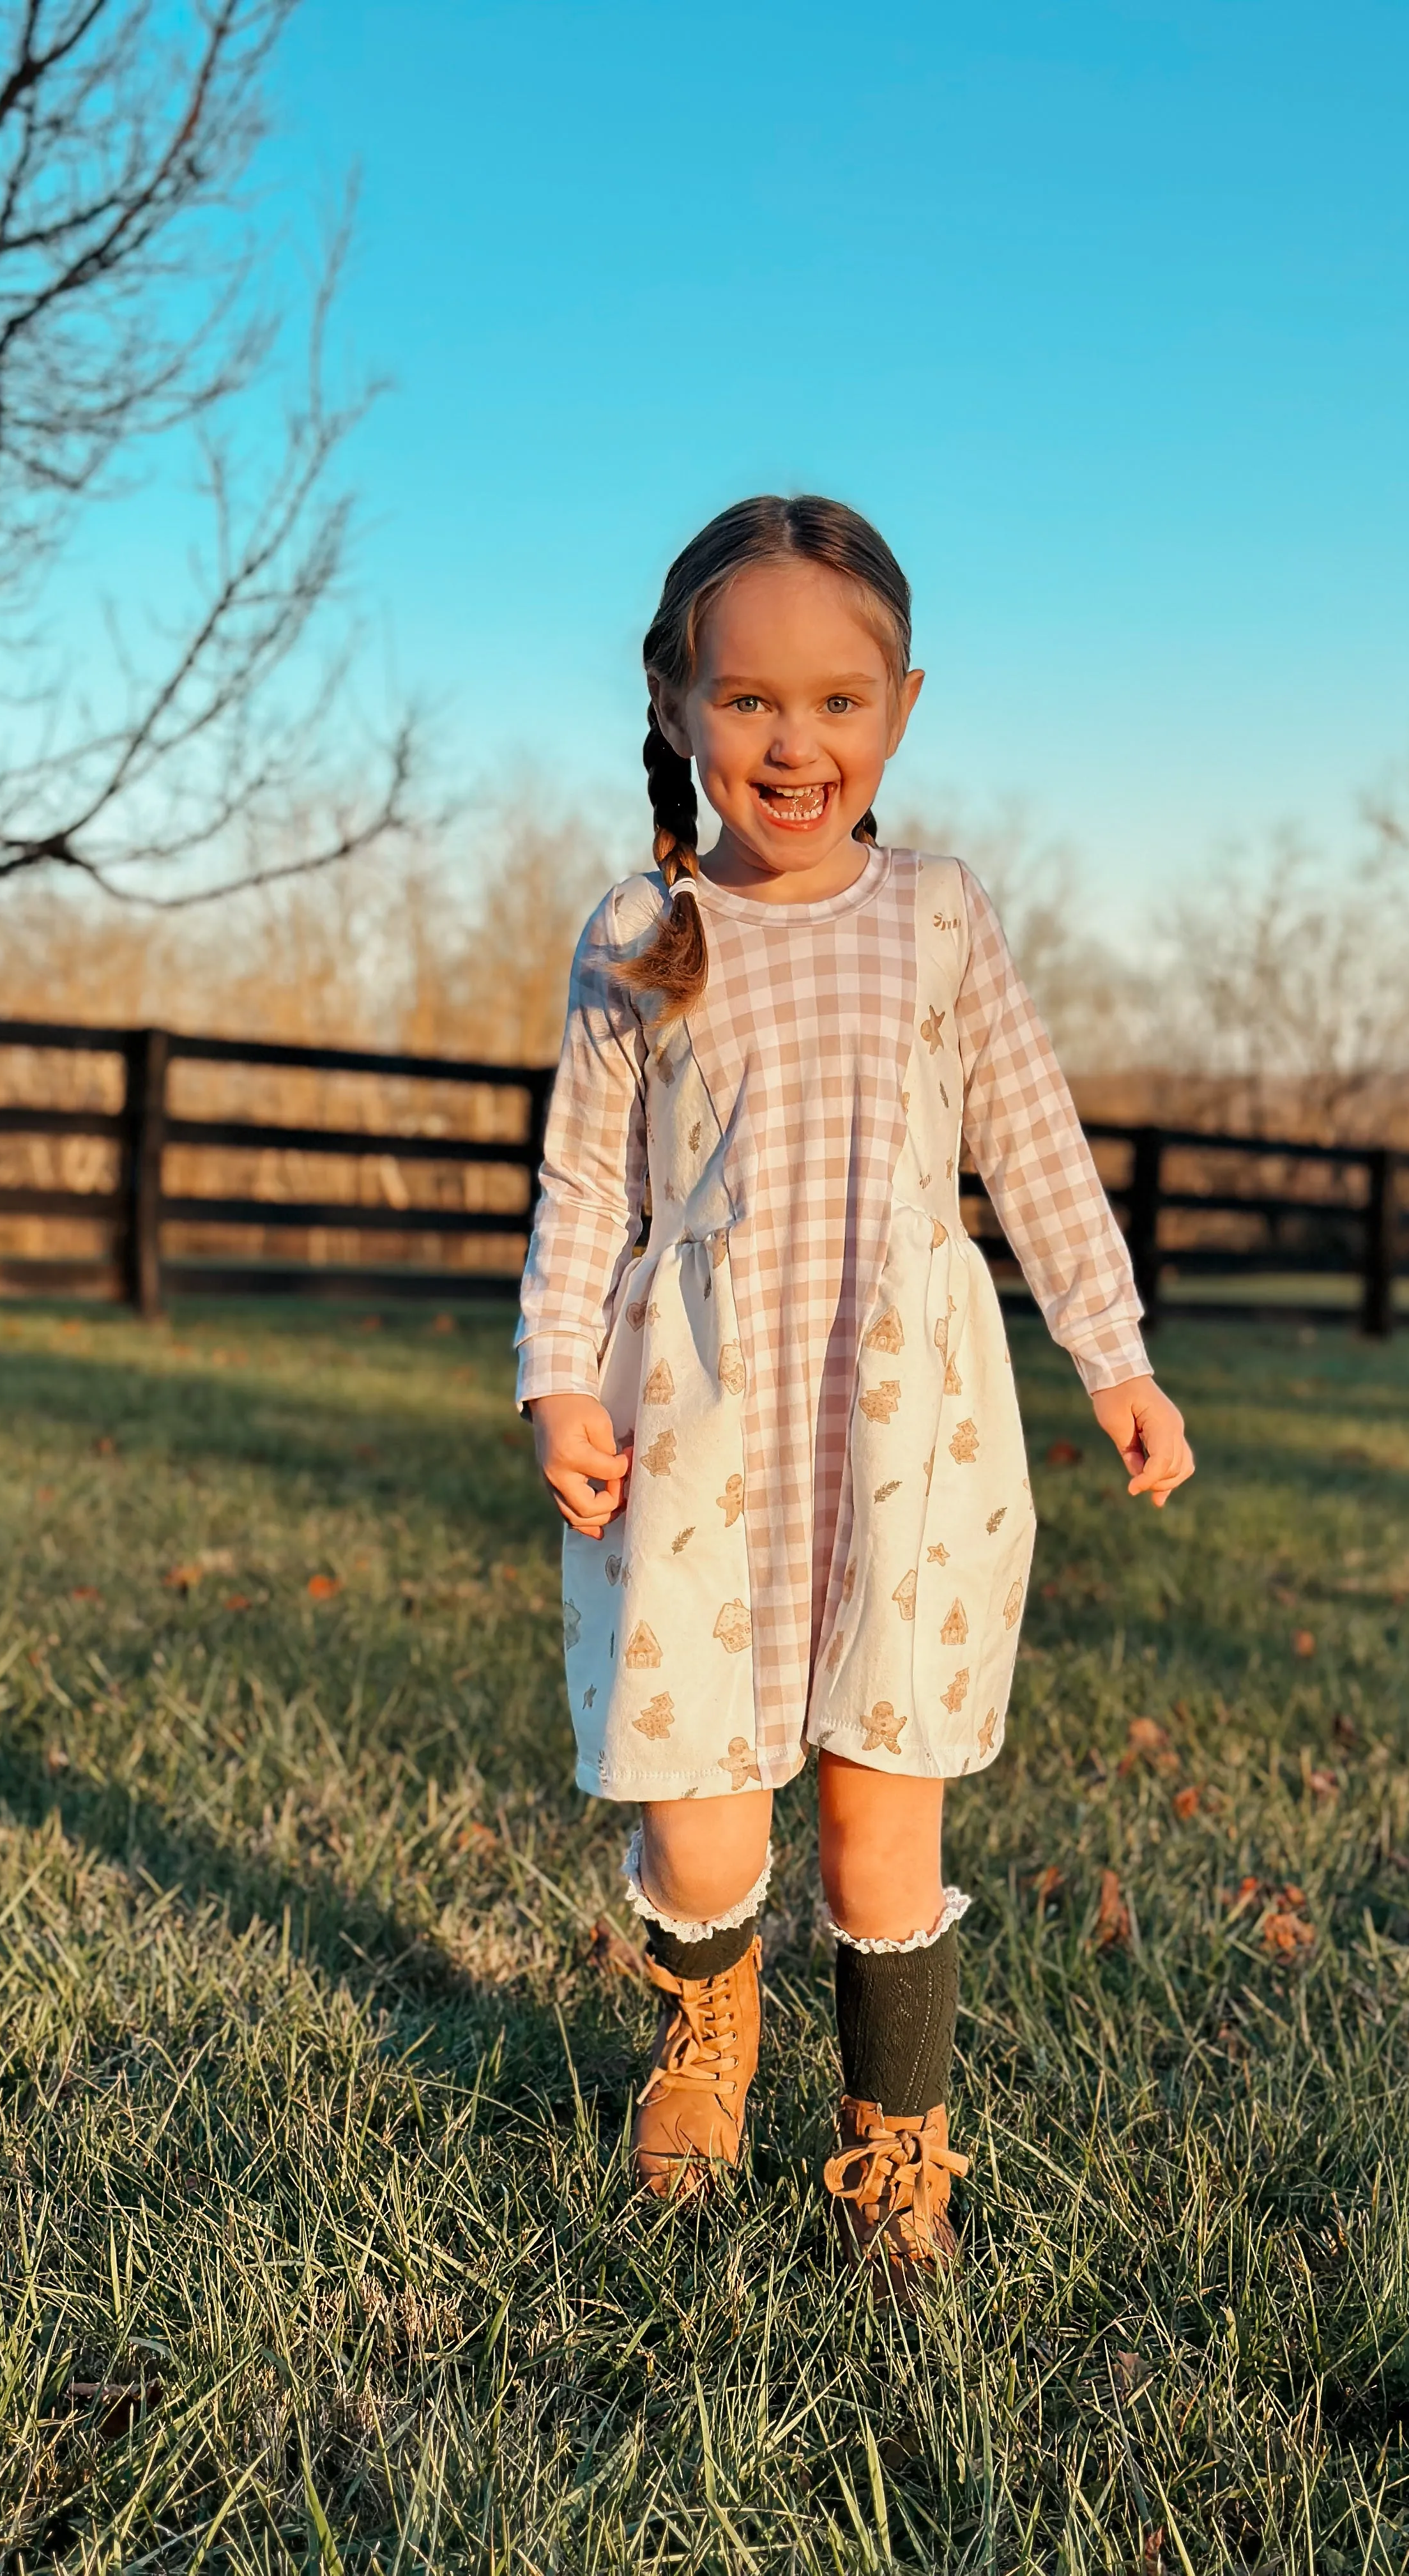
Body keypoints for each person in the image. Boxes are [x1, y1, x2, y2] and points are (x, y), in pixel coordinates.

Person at [517, 494, 1193, 2297]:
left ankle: (897, 2142)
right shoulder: (635, 934)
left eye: (836, 702)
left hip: (910, 1425)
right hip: (701, 1421)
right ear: (674, 704)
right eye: (748, 702)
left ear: (901, 707)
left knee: (880, 1806)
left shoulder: (939, 917)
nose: (792, 743)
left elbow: (1035, 1147)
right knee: (701, 1803)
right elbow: (588, 1192)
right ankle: (707, 2039)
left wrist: (1113, 1356)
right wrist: (553, 1389)